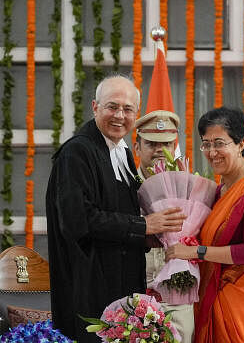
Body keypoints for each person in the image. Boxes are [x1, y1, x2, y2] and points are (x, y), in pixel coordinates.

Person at [46, 74, 186, 342]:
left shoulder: (121, 152)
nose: (120, 115)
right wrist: (144, 225)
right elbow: (78, 220)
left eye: (128, 108)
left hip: (123, 292)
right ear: (95, 107)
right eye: (112, 106)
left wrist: (153, 236)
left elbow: (119, 213)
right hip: (90, 290)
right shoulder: (77, 152)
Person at [165, 107, 244, 343]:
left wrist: (196, 251)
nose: (212, 152)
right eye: (206, 144)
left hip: (240, 302)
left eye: (219, 143)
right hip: (213, 295)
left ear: (241, 144)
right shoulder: (218, 189)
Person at [133, 110, 195, 343]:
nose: (160, 149)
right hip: (135, 288)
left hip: (177, 292)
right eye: (151, 143)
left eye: (167, 143)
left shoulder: (187, 185)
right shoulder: (124, 187)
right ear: (137, 148)